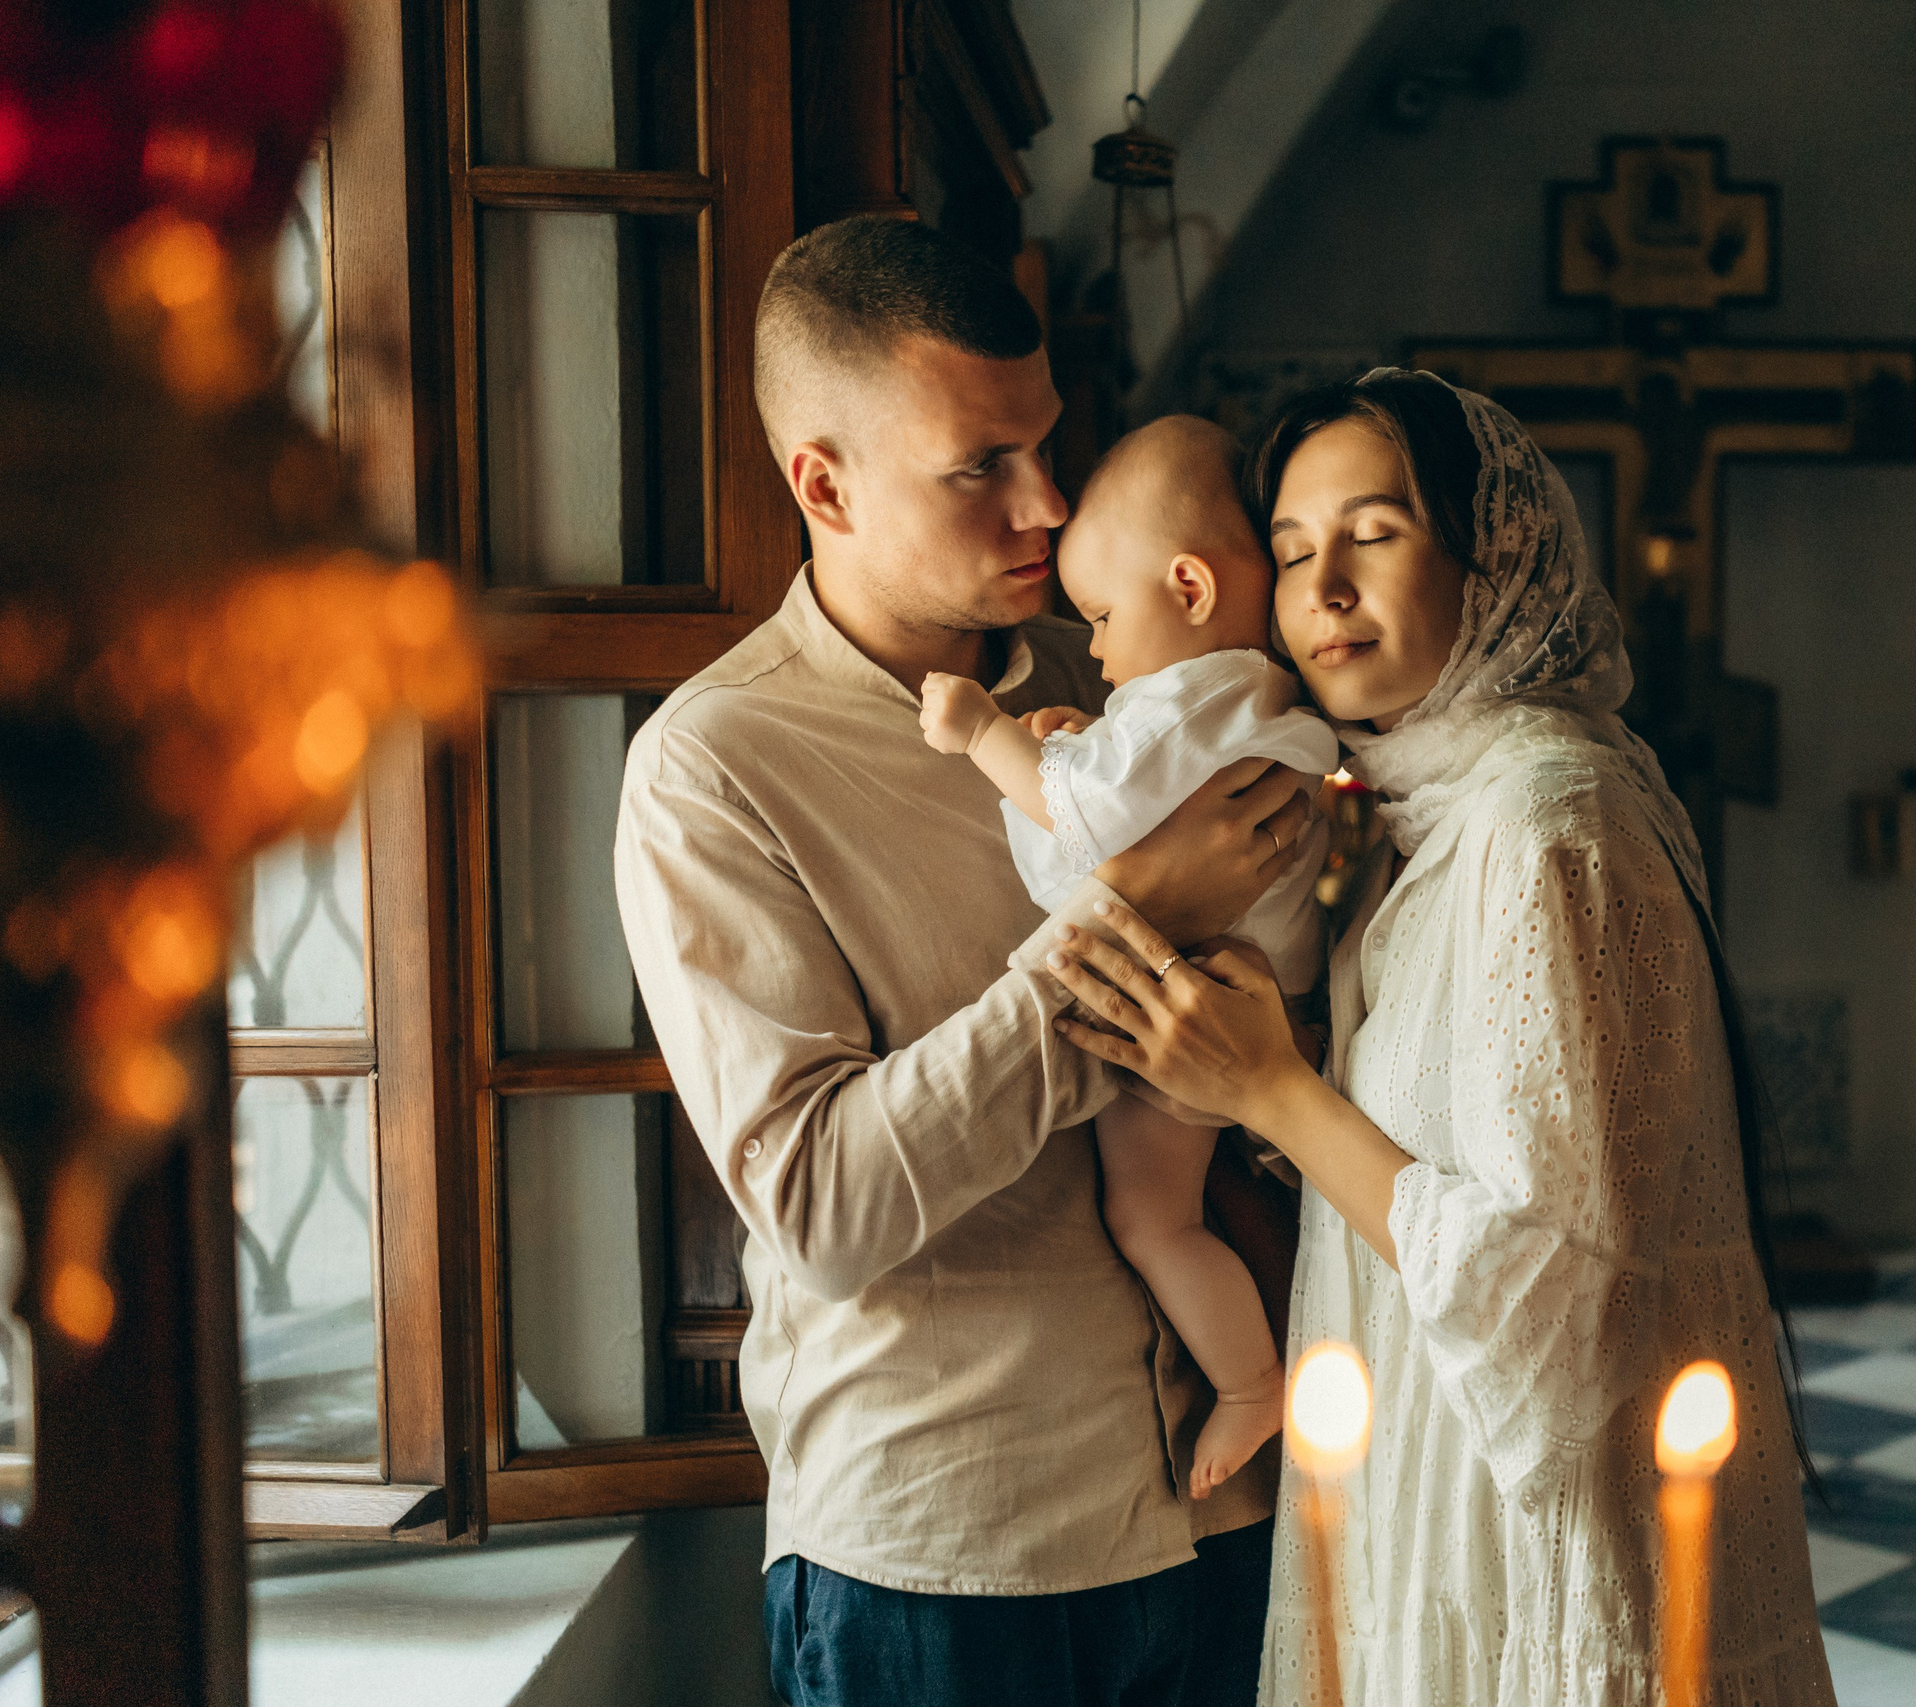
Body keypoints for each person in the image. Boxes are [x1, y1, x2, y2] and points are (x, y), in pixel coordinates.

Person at [1038, 371, 1835, 1703]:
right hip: (1440, 1501)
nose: (1326, 588)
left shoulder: (1546, 823)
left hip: (1543, 1555)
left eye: (1375, 532)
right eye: (1293, 551)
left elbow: (1556, 1299)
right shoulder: (1435, 810)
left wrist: (1272, 1090)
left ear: (1493, 558)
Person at [613, 215, 1315, 1707]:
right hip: (947, 1564)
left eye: (1046, 445)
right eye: (979, 466)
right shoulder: (713, 768)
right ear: (823, 483)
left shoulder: (1123, 674)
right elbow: (824, 1206)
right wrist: (1127, 915)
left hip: (1231, 1511)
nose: (1047, 504)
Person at [919, 414, 1337, 1499]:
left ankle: (1250, 1383)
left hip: (1187, 1006)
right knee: (1174, 1214)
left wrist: (982, 732)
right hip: (1248, 997)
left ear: (1189, 587)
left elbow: (1090, 823)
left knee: (1152, 1218)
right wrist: (1078, 740)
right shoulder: (1252, 693)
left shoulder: (1193, 697)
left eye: (1103, 617)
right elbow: (1125, 780)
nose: (1097, 650)